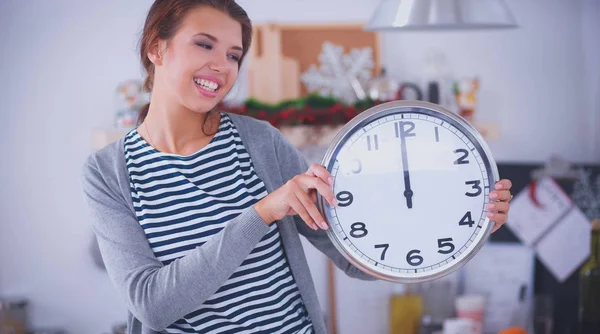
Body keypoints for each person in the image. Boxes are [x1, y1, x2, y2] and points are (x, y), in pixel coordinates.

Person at [80, 1, 514, 333]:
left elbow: (350, 255)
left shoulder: (259, 140)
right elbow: (151, 303)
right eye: (204, 44)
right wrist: (261, 213)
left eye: (234, 54)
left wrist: (461, 232)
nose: (222, 65)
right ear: (157, 48)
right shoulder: (108, 172)